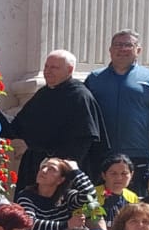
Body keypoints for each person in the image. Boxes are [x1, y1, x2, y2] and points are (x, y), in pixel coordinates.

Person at [84, 30, 149, 195]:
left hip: (136, 156)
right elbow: (83, 118)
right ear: (110, 50)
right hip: (100, 156)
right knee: (95, 209)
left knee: (135, 211)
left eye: (128, 45)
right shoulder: (94, 79)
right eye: (118, 45)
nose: (122, 49)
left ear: (138, 50)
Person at [6, 49, 103, 190]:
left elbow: (84, 140)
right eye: (46, 66)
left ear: (69, 70)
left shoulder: (80, 96)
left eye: (54, 67)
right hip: (35, 166)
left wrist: (60, 168)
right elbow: (18, 127)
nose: (48, 71)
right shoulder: (44, 93)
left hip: (61, 172)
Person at [15, 156, 95, 230]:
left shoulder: (67, 196)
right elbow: (30, 223)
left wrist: (76, 172)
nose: (43, 171)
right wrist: (66, 225)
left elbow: (91, 198)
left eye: (51, 169)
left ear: (60, 180)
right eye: (43, 167)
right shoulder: (26, 196)